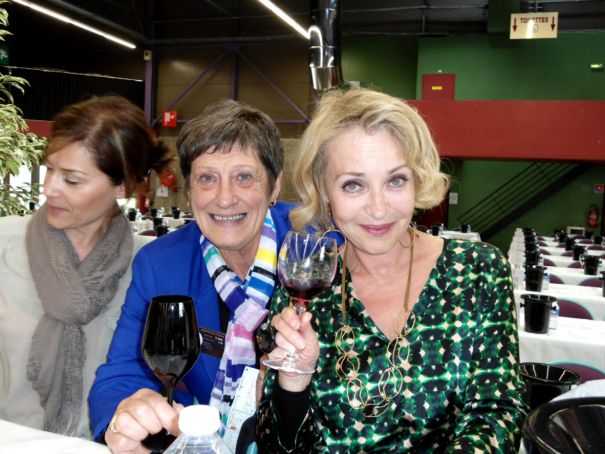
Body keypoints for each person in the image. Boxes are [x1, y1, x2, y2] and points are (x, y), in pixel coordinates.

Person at [257, 88, 527, 452]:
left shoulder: (478, 271)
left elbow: (497, 415)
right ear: (324, 192)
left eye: (396, 180)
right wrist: (293, 383)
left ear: (418, 179)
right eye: (353, 185)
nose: (379, 208)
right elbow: (277, 445)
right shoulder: (306, 288)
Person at [88, 99, 294, 452]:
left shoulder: (319, 251)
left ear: (274, 186)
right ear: (189, 190)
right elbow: (123, 372)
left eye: (244, 177)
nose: (224, 198)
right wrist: (124, 417)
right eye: (207, 178)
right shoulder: (162, 264)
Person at [0, 95, 172, 437]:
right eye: (50, 169)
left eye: (72, 179)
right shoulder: (5, 245)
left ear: (122, 185)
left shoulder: (148, 268)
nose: (49, 188)